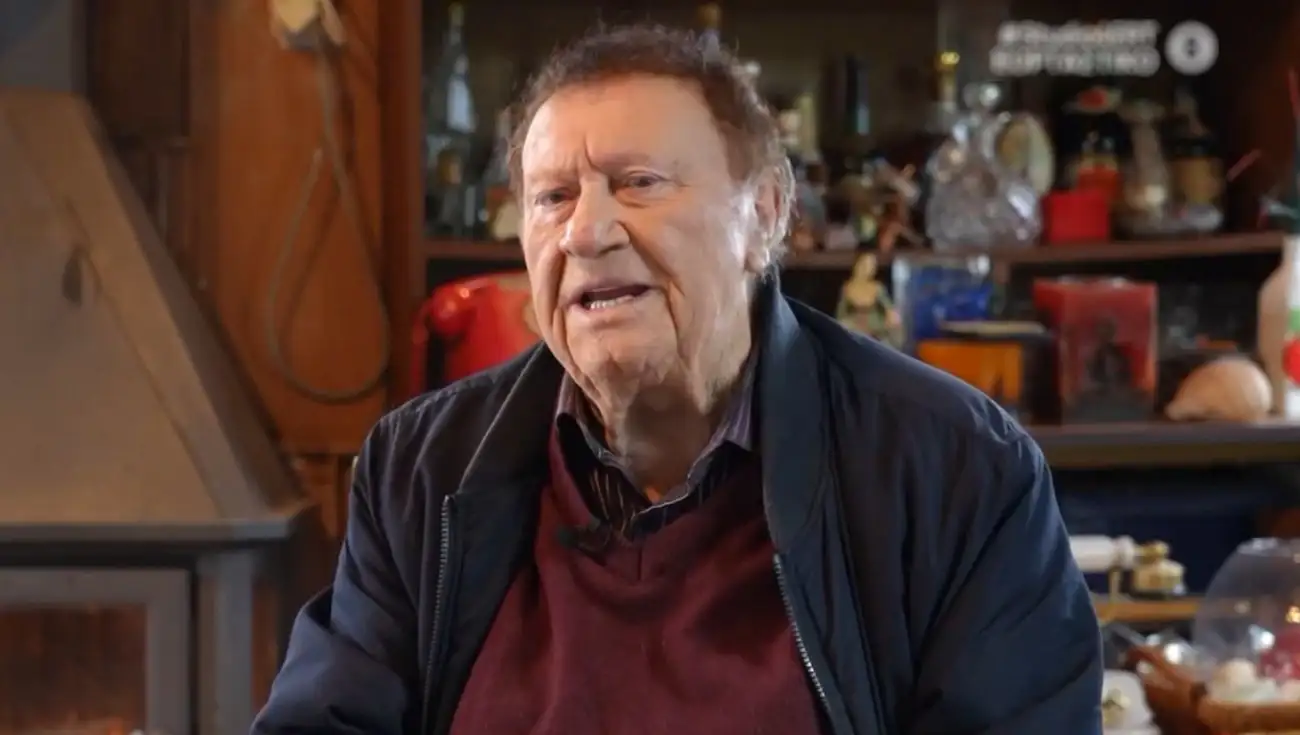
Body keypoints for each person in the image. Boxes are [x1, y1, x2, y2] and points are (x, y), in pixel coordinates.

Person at [253, 24, 1102, 735]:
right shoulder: (423, 468)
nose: (585, 232)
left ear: (764, 213)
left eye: (638, 183)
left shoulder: (955, 467)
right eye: (552, 197)